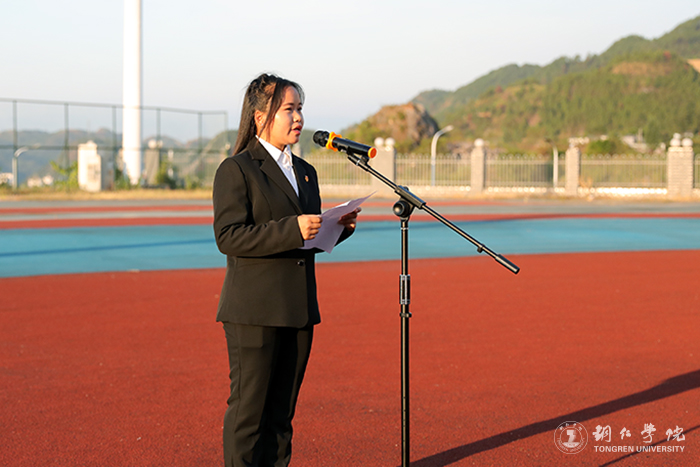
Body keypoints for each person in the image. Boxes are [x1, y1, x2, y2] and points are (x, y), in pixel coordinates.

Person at [212, 73, 359, 467]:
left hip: (298, 308)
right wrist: (291, 228)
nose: (298, 118)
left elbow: (307, 240)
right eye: (289, 109)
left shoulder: (306, 171)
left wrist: (337, 228)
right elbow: (228, 236)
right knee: (249, 415)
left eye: (300, 109)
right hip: (254, 311)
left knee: (281, 418)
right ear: (261, 117)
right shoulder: (237, 169)